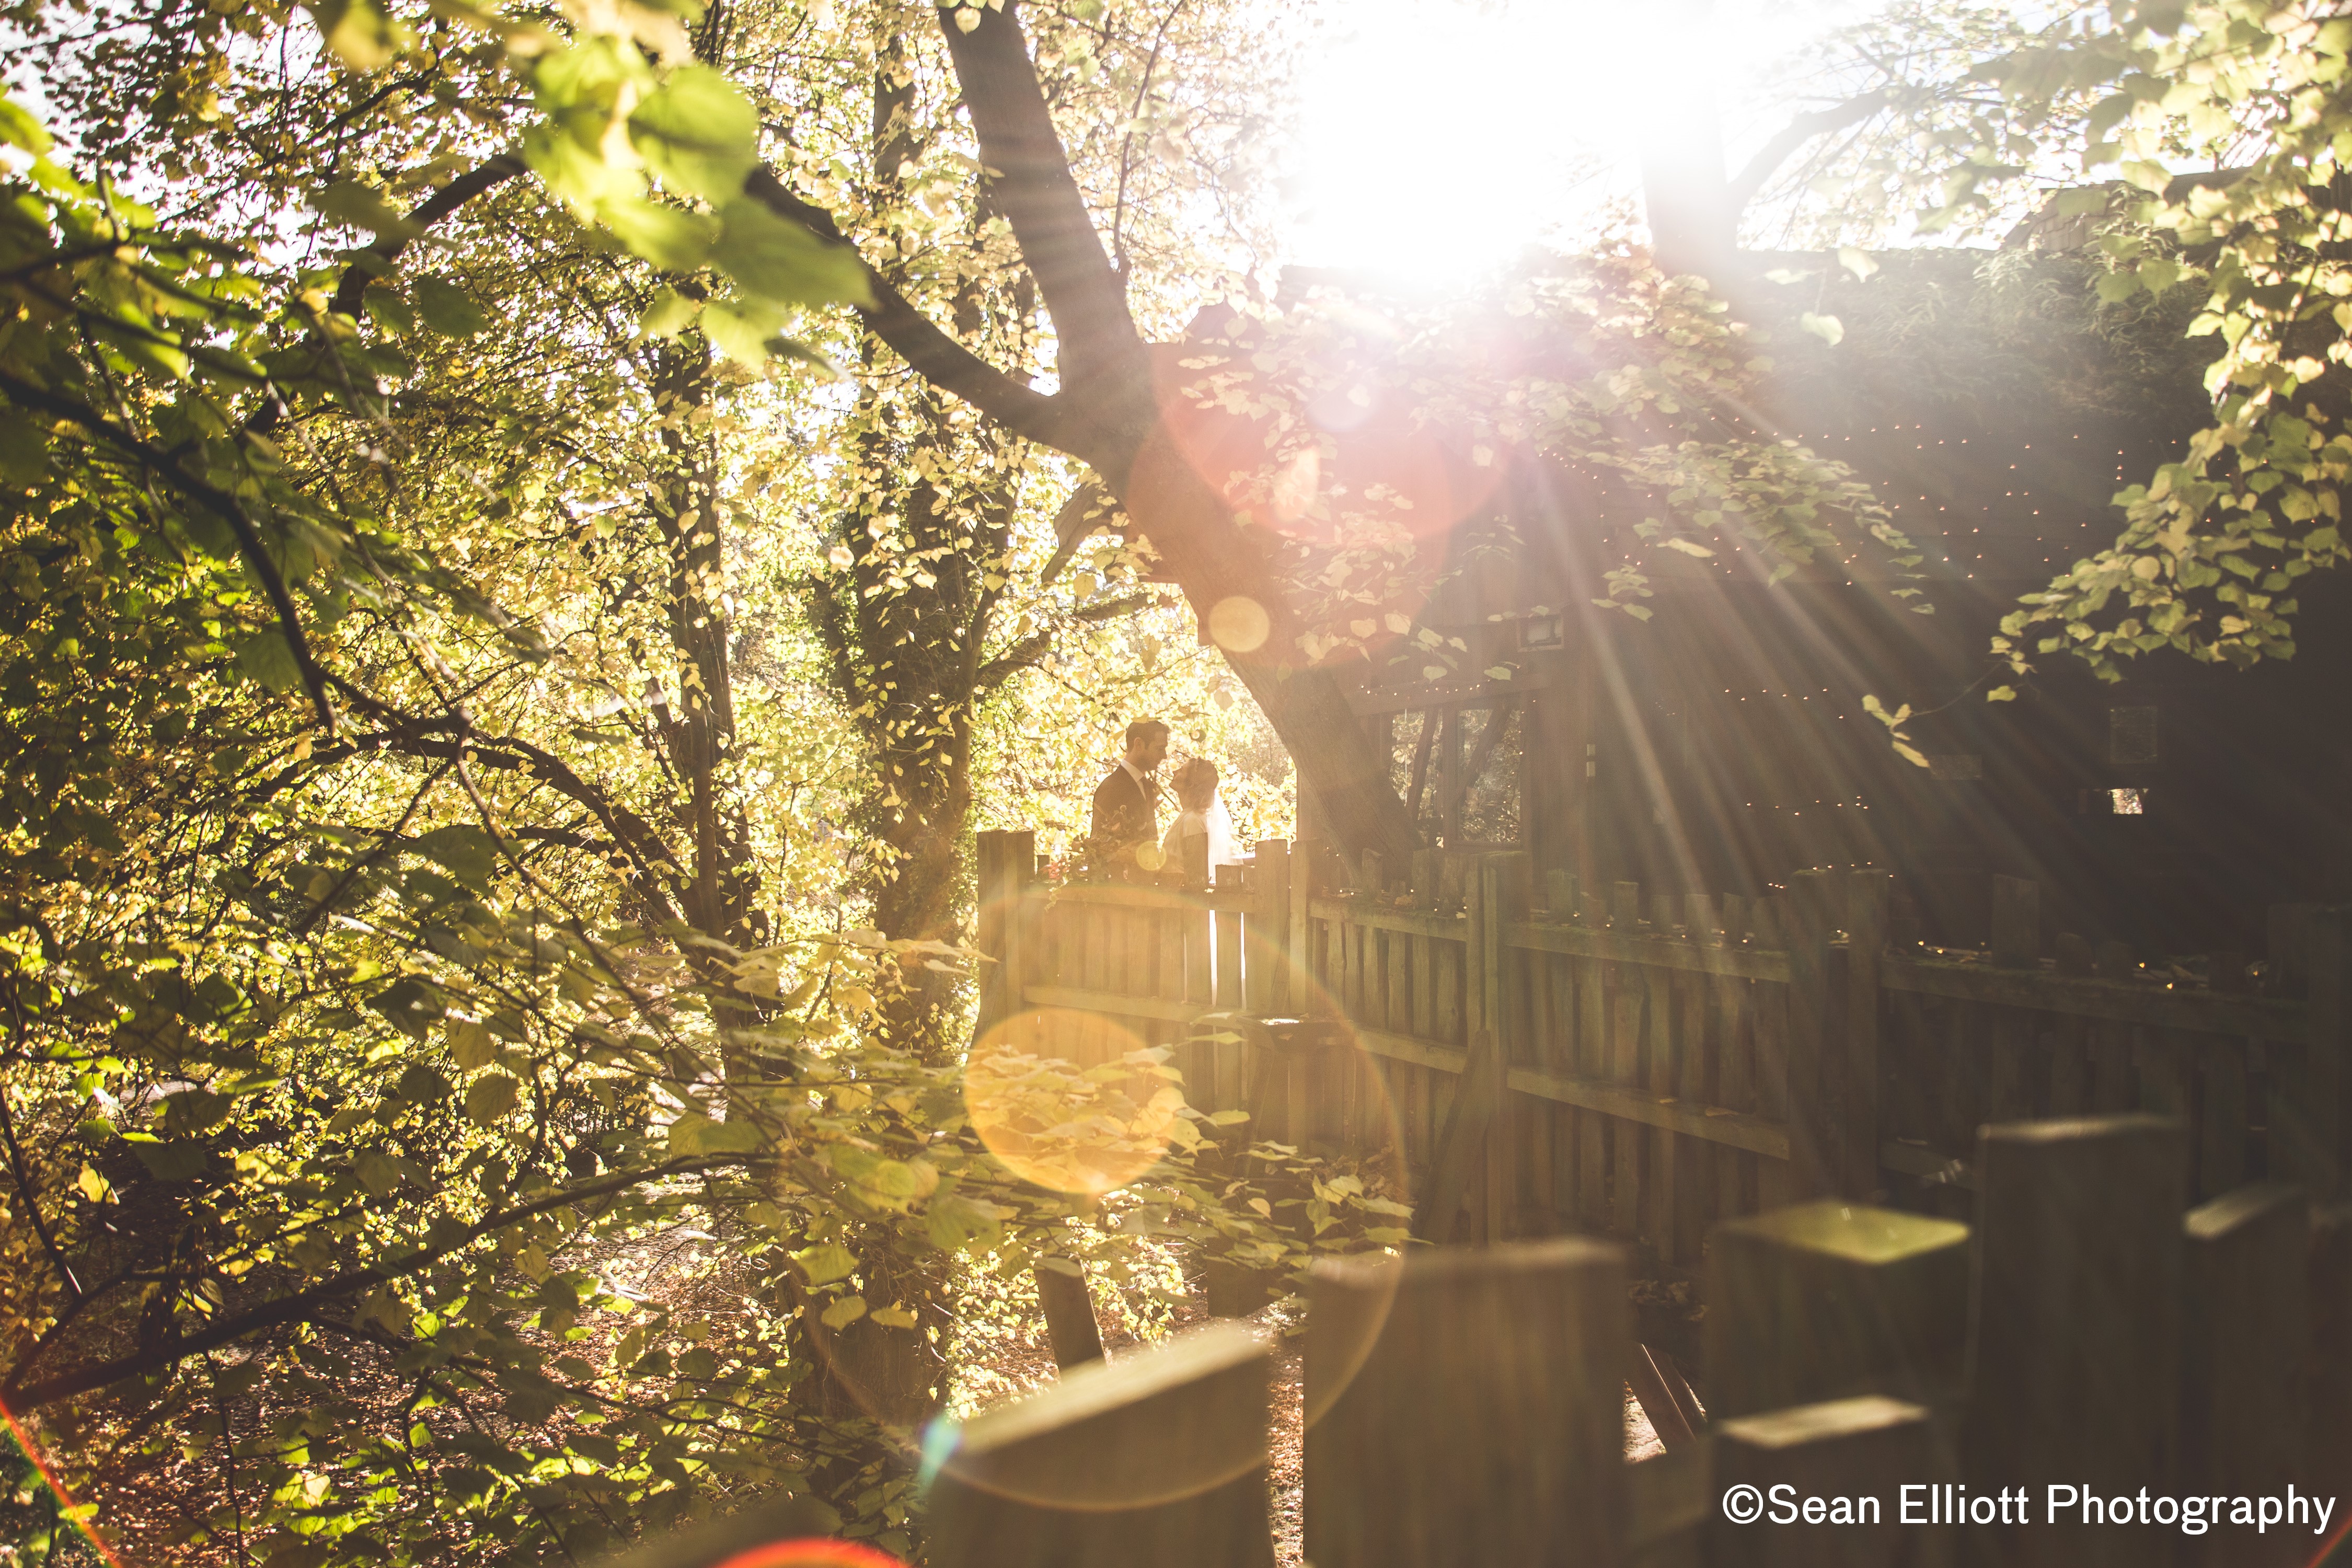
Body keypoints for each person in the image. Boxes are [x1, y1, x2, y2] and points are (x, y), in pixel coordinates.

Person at [1088, 718, 1168, 871]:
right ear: (1139, 744)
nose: (1165, 756)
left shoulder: (1146, 785)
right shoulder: (1111, 788)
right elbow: (1098, 848)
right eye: (1159, 749)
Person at [1159, 758, 1239, 886]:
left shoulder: (1193, 821)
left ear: (1191, 784)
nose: (1175, 772)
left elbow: (1195, 876)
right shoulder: (1188, 816)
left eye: (1182, 770)